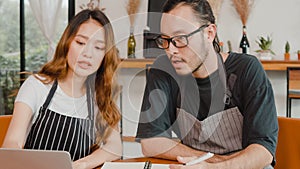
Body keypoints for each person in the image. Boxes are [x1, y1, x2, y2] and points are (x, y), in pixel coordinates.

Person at [136, 0, 278, 169]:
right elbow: (151, 142)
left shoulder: (246, 69)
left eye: (180, 39)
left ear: (209, 33)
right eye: (165, 40)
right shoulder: (164, 71)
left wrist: (216, 167)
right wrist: (208, 160)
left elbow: (263, 151)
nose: (171, 50)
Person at [2, 9, 122, 169]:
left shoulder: (98, 97)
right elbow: (12, 143)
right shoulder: (36, 87)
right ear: (67, 43)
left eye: (99, 47)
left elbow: (114, 148)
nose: (88, 54)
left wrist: (81, 164)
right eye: (80, 43)